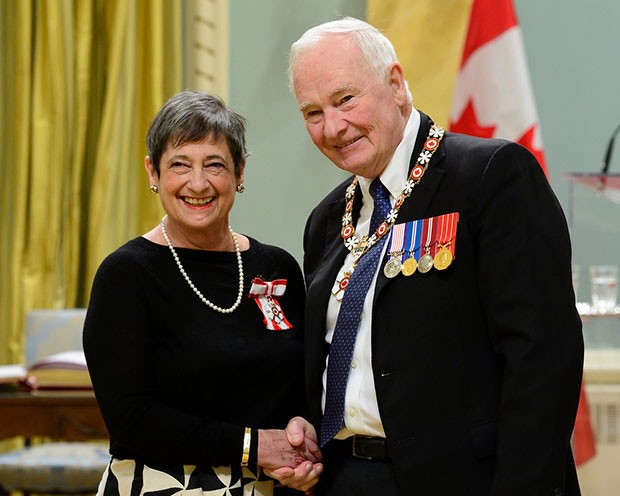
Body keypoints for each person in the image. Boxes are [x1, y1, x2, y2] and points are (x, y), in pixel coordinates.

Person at [283, 17, 584, 496]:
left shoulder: (490, 177)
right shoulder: (326, 220)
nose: (333, 127)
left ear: (396, 85)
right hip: (344, 479)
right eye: (312, 112)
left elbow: (543, 359)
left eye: (345, 99)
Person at [83, 90, 322, 495]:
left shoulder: (277, 267)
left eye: (215, 165)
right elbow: (131, 418)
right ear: (153, 173)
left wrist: (302, 430)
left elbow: (302, 382)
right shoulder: (126, 274)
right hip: (163, 484)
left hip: (275, 485)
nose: (198, 183)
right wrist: (254, 447)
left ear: (239, 174)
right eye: (179, 165)